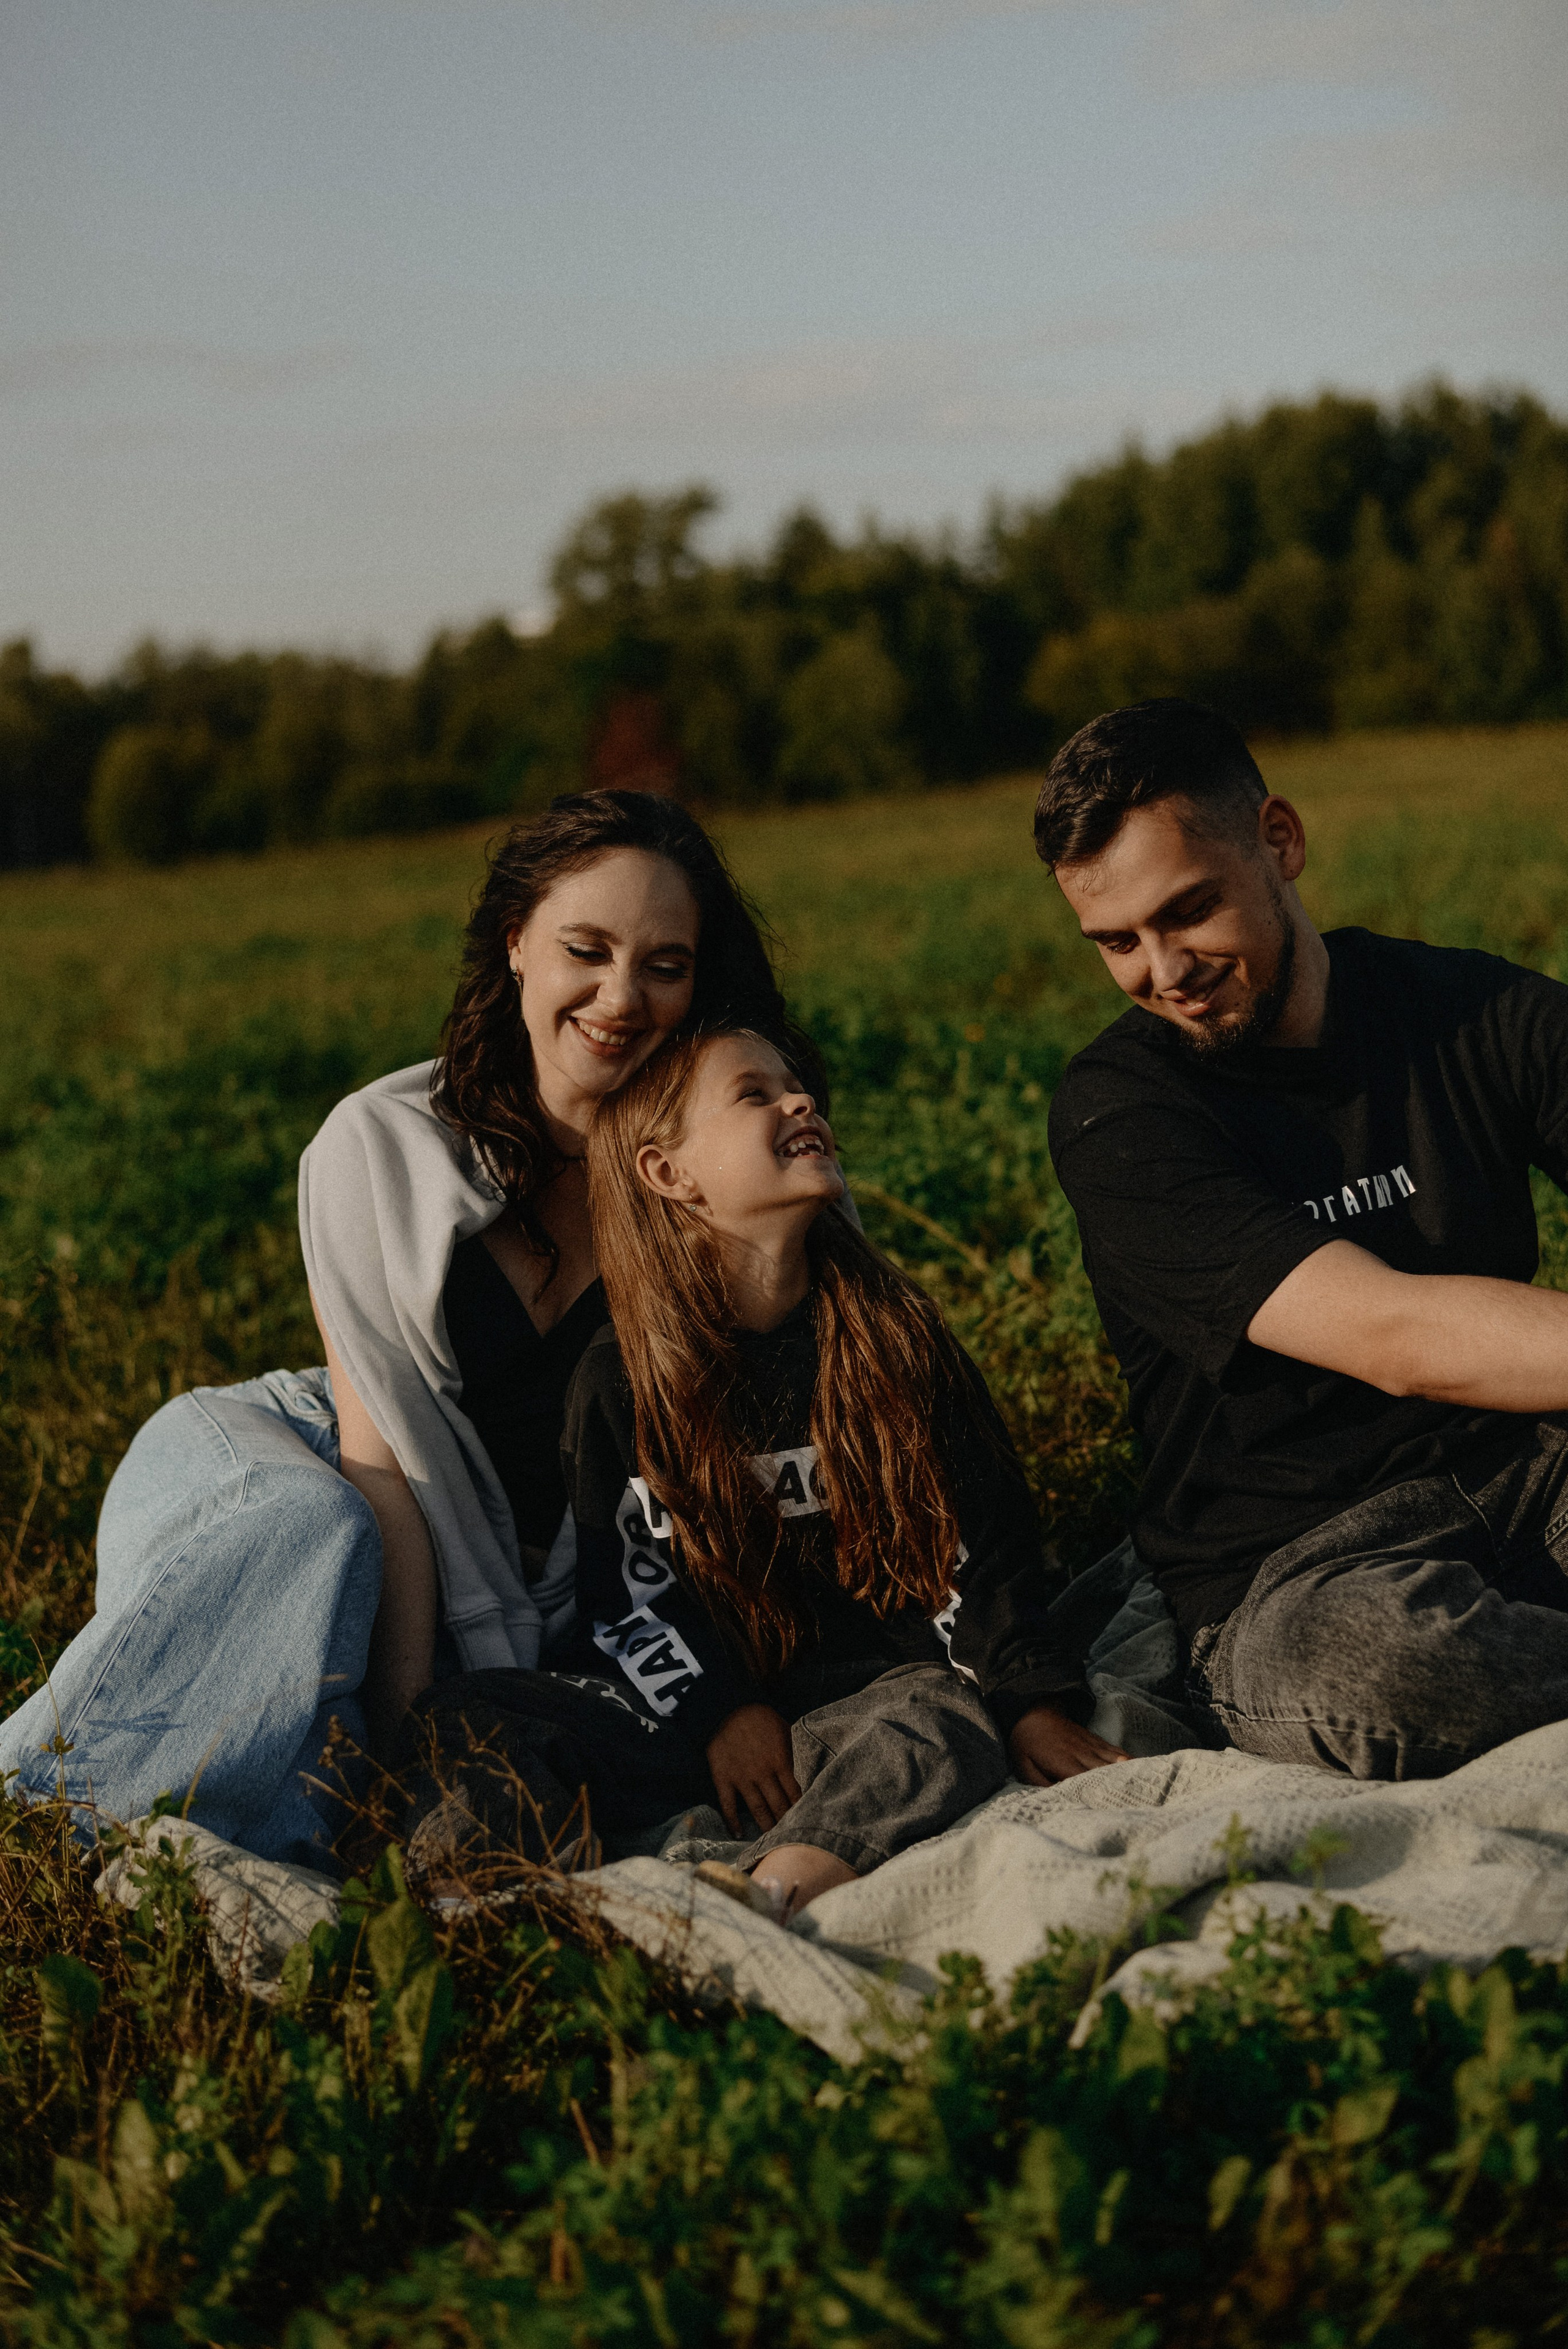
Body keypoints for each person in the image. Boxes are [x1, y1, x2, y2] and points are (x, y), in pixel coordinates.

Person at [0, 792, 802, 1866]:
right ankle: (30, 1821)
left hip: (510, 1585)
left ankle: (201, 1846)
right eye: (586, 950)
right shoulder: (378, 1145)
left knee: (314, 1802)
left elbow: (778, 1432)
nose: (621, 998)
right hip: (300, 1457)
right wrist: (407, 1732)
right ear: (515, 943)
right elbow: (385, 1466)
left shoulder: (713, 1170)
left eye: (666, 966)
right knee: (316, 1533)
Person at [402, 1022, 1118, 1920]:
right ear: (669, 1173)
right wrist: (721, 1712)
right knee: (471, 1714)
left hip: (866, 1701)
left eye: (798, 1087)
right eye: (756, 1094)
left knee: (940, 1724)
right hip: (686, 1722)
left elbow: (985, 1543)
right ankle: (490, 1915)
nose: (802, 1101)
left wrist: (1026, 1701)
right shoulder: (624, 1377)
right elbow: (627, 1594)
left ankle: (766, 1900)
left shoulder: (895, 1339)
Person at [1039, 696, 1568, 1781]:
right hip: (1301, 1569)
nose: (1164, 972)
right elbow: (1397, 1337)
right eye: (1118, 943)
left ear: (1279, 841)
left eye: (1189, 911)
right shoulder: (1120, 1112)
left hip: (1532, 1473)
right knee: (1392, 1667)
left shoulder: (1469, 1010)